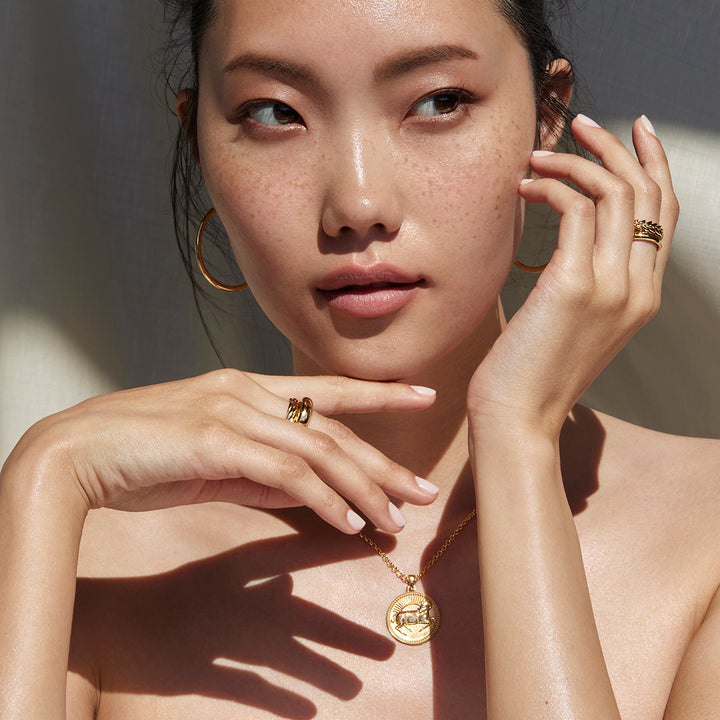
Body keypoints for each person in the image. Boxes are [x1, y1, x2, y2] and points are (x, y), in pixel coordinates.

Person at [0, 0, 718, 717]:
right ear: (198, 143)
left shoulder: (706, 535)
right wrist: (42, 474)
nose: (358, 203)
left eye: (439, 102)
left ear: (546, 114)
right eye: (274, 113)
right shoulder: (79, 556)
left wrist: (516, 435)